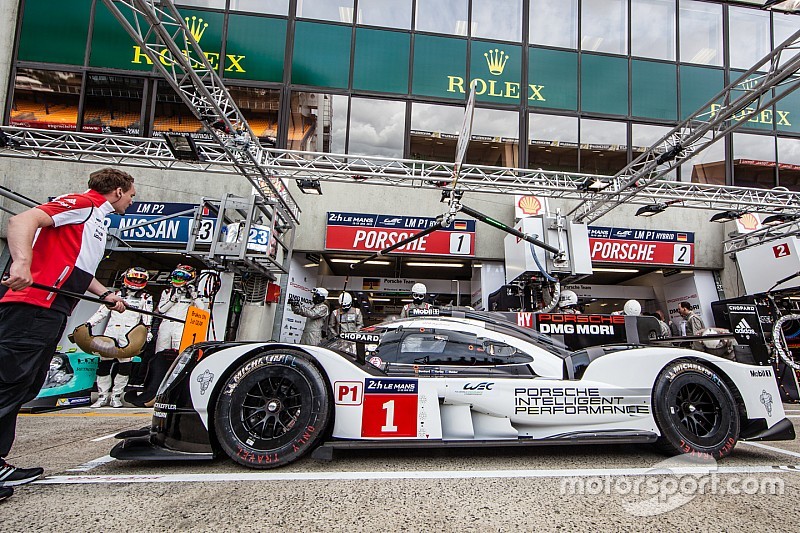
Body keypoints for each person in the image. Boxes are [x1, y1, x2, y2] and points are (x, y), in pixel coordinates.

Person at [0, 168, 135, 497]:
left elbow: (78, 269)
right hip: (32, 307)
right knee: (7, 384)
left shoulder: (96, 220)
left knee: (24, 385)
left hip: (51, 310)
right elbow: (20, 222)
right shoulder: (83, 204)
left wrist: (105, 293)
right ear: (117, 191)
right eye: (131, 195)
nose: (132, 201)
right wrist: (20, 263)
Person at [85, 267, 153, 408]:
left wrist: (147, 330)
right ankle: (102, 396)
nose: (136, 281)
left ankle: (116, 396)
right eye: (133, 278)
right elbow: (101, 312)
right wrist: (88, 324)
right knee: (103, 366)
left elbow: (147, 315)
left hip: (129, 336)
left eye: (139, 279)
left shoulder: (146, 297)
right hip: (110, 334)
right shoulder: (114, 294)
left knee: (124, 368)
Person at [155, 265, 205, 354]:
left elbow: (201, 308)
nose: (178, 279)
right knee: (160, 352)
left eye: (181, 277)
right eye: (177, 276)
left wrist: (194, 296)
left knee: (180, 353)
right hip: (166, 325)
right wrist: (174, 298)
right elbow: (161, 310)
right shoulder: (167, 292)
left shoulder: (194, 293)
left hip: (182, 326)